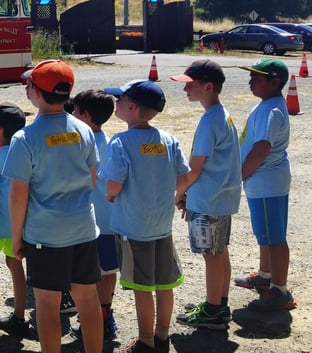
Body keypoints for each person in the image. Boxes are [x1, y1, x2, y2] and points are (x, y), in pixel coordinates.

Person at [1, 59, 104, 353]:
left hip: (46, 234)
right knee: (87, 299)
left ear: (35, 92)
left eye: (28, 84)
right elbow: (92, 178)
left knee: (47, 303)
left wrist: (17, 236)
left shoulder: (25, 138)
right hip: (83, 228)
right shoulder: (83, 130)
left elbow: (18, 195)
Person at [102, 80, 190, 353]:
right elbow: (184, 177)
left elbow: (114, 183)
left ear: (132, 106)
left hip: (134, 227)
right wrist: (176, 195)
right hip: (162, 225)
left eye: (120, 99)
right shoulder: (167, 139)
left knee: (142, 287)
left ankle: (145, 341)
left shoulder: (121, 141)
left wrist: (110, 193)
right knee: (165, 284)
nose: (116, 103)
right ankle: (162, 335)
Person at [169, 60, 242, 329]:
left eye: (190, 84)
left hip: (208, 199)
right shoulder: (222, 114)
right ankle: (219, 304)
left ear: (208, 86)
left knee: (211, 256)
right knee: (220, 253)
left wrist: (180, 192)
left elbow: (196, 167)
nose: (185, 89)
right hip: (220, 197)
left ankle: (212, 311)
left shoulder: (210, 121)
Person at [234, 58, 296, 311]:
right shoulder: (268, 105)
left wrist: (239, 175)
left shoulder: (271, 110)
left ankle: (279, 290)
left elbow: (262, 148)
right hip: (263, 182)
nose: (251, 82)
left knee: (275, 238)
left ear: (274, 82)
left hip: (267, 181)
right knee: (265, 234)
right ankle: (265, 276)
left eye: (256, 78)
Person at [66, 90, 118, 342]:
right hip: (112, 221)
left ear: (85, 115)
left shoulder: (82, 143)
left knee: (91, 276)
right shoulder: (110, 142)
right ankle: (106, 315)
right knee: (108, 271)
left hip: (91, 223)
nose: (72, 115)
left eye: (75, 111)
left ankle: (98, 320)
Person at [0, 103, 32, 340]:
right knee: (16, 267)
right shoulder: (27, 153)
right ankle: (20, 316)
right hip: (22, 224)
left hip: (0, 226)